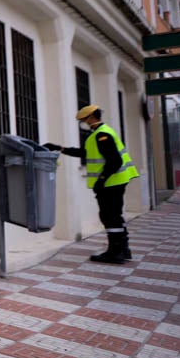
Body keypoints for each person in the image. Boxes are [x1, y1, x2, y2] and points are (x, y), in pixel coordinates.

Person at [44, 105, 139, 263]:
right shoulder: (99, 133)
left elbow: (115, 161)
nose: (83, 123)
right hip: (114, 182)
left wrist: (101, 180)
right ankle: (122, 249)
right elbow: (84, 153)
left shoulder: (102, 135)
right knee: (114, 216)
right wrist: (59, 148)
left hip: (111, 183)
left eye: (83, 120)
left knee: (110, 216)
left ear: (91, 118)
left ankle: (116, 252)